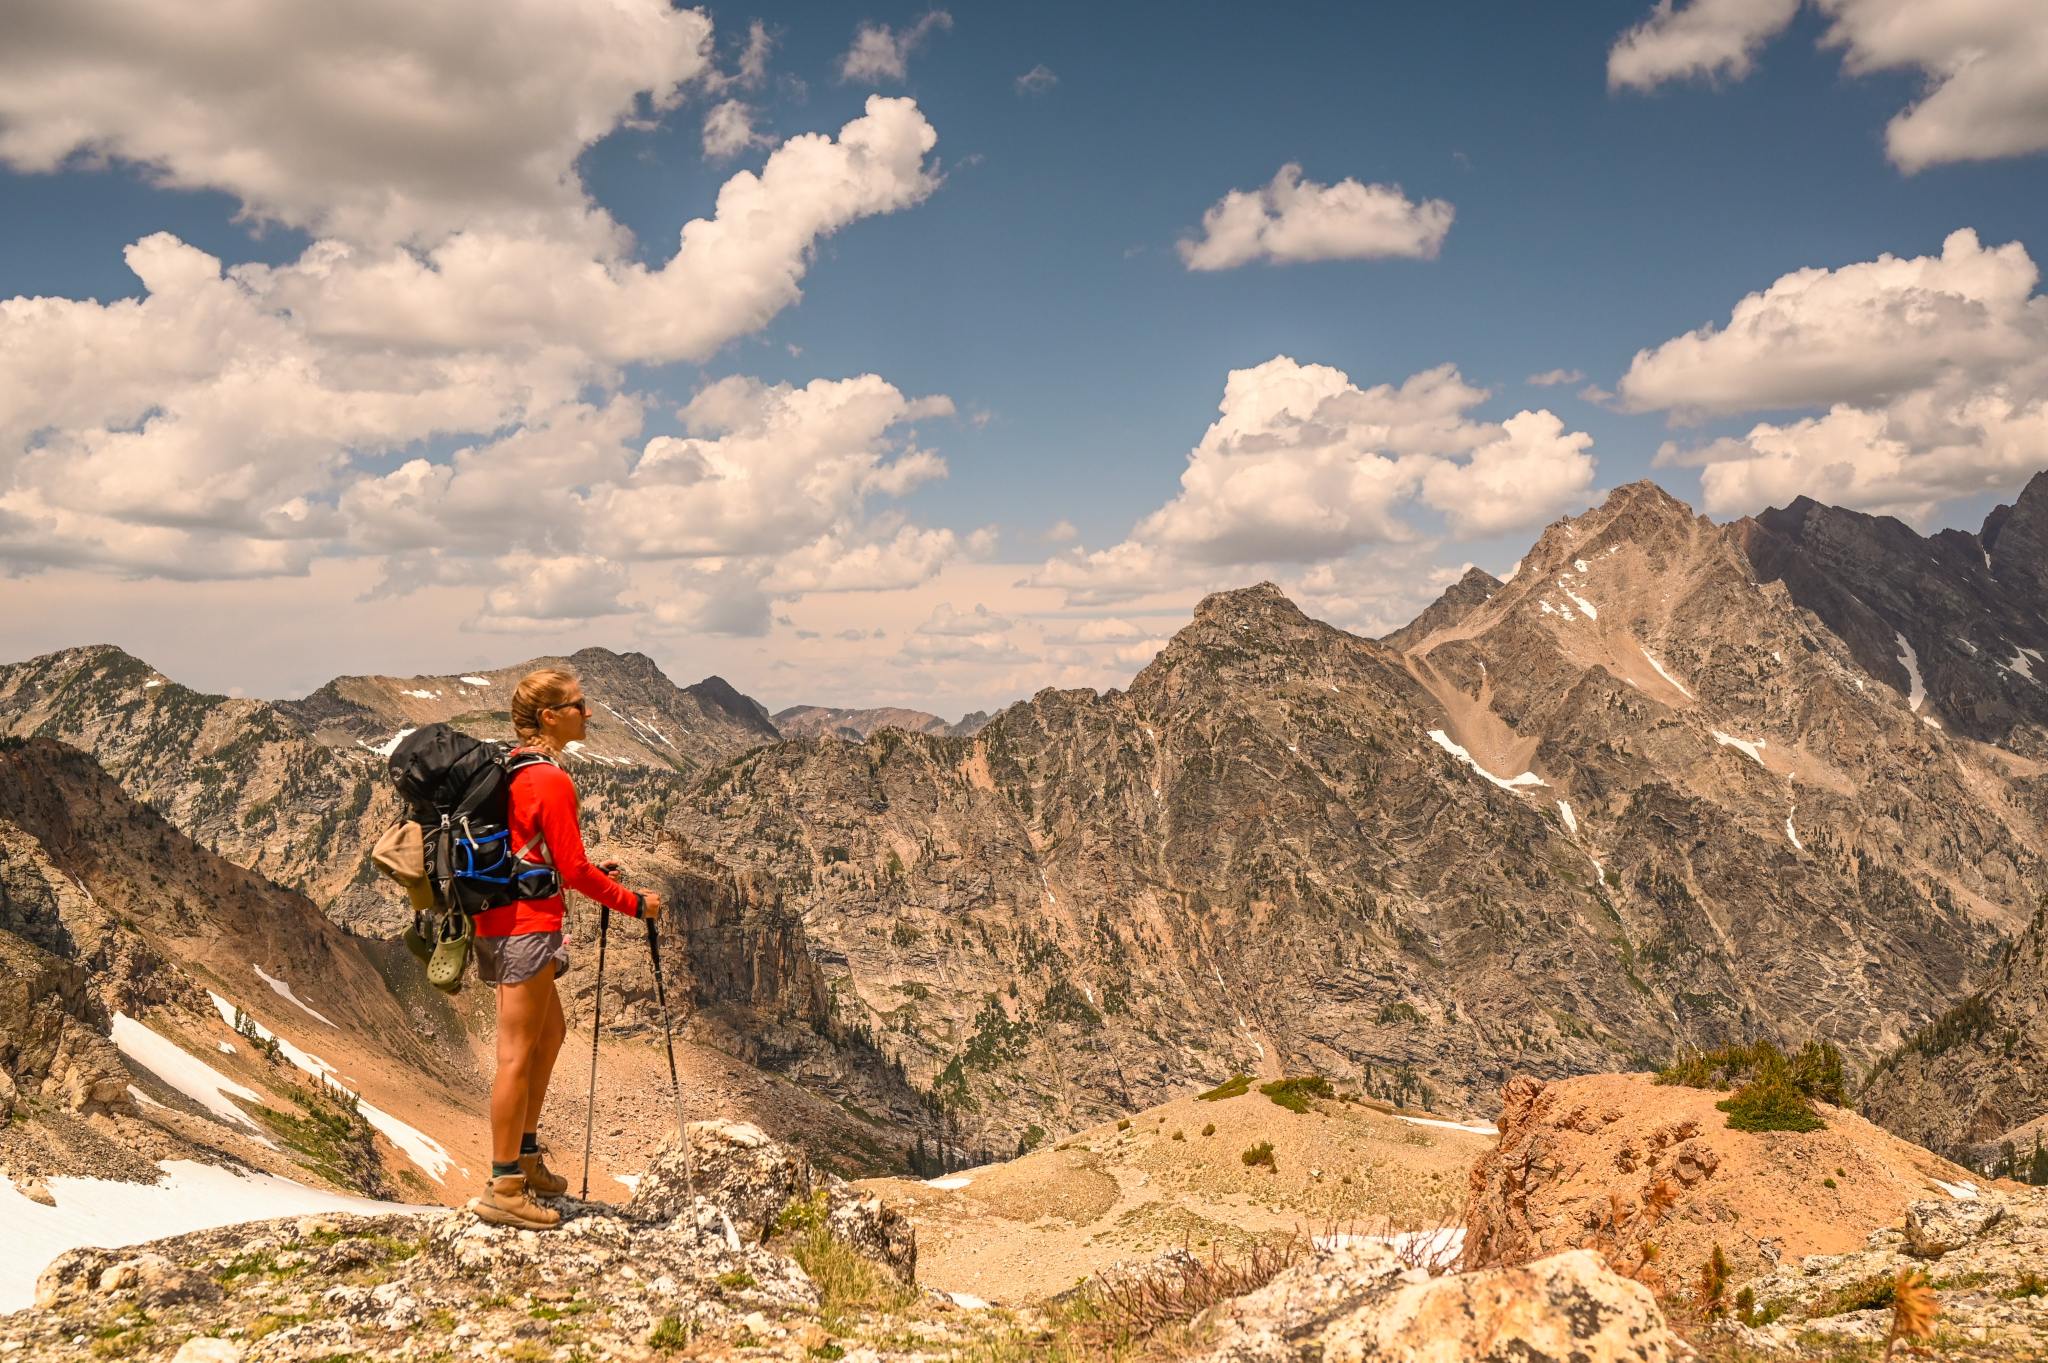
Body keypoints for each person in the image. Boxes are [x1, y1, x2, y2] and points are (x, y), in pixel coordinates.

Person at [472, 667, 664, 1230]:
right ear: (550, 717)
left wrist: (573, 869)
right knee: (514, 1055)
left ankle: (526, 1157)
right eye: (579, 704)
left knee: (550, 1033)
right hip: (525, 927)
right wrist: (633, 903)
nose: (589, 713)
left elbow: (542, 853)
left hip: (511, 919)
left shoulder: (519, 770)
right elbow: (576, 870)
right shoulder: (551, 779)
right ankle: (503, 1184)